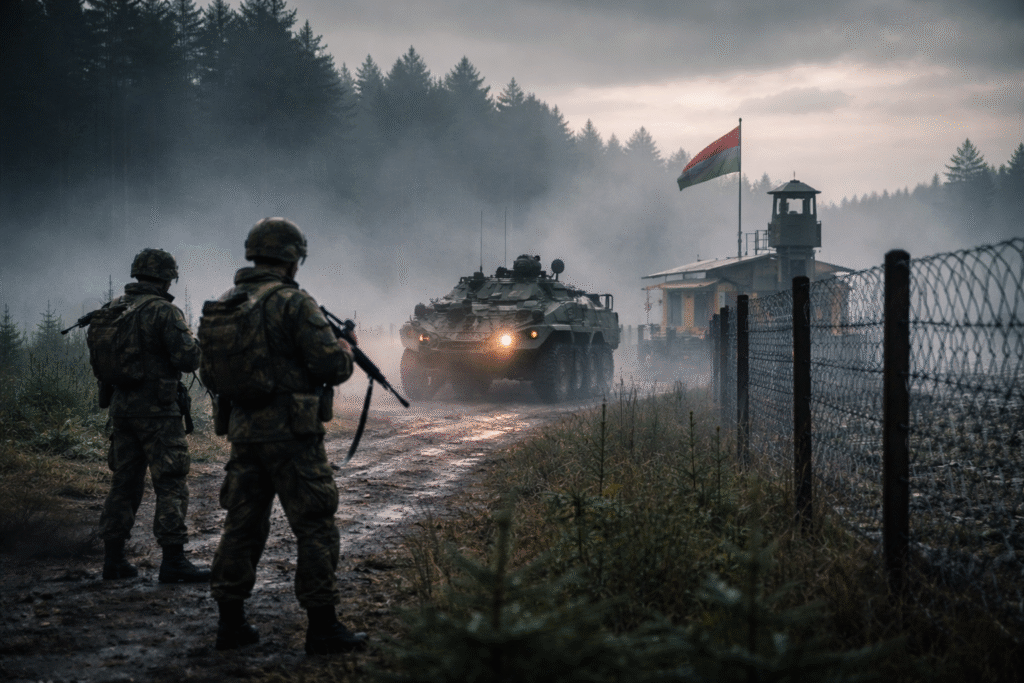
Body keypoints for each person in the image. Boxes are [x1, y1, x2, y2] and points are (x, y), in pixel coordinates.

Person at [204, 218, 368, 654]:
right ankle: (322, 626)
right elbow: (331, 366)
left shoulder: (226, 303)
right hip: (293, 435)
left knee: (241, 525)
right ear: (293, 258)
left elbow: (210, 372)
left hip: (244, 433)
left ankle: (231, 624)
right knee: (315, 525)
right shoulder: (293, 303)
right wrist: (347, 349)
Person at [95, 248, 210, 583]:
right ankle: (173, 561)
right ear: (166, 278)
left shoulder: (114, 308)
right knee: (170, 481)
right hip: (158, 412)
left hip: (122, 409)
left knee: (124, 482)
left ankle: (113, 560)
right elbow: (189, 359)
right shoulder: (164, 310)